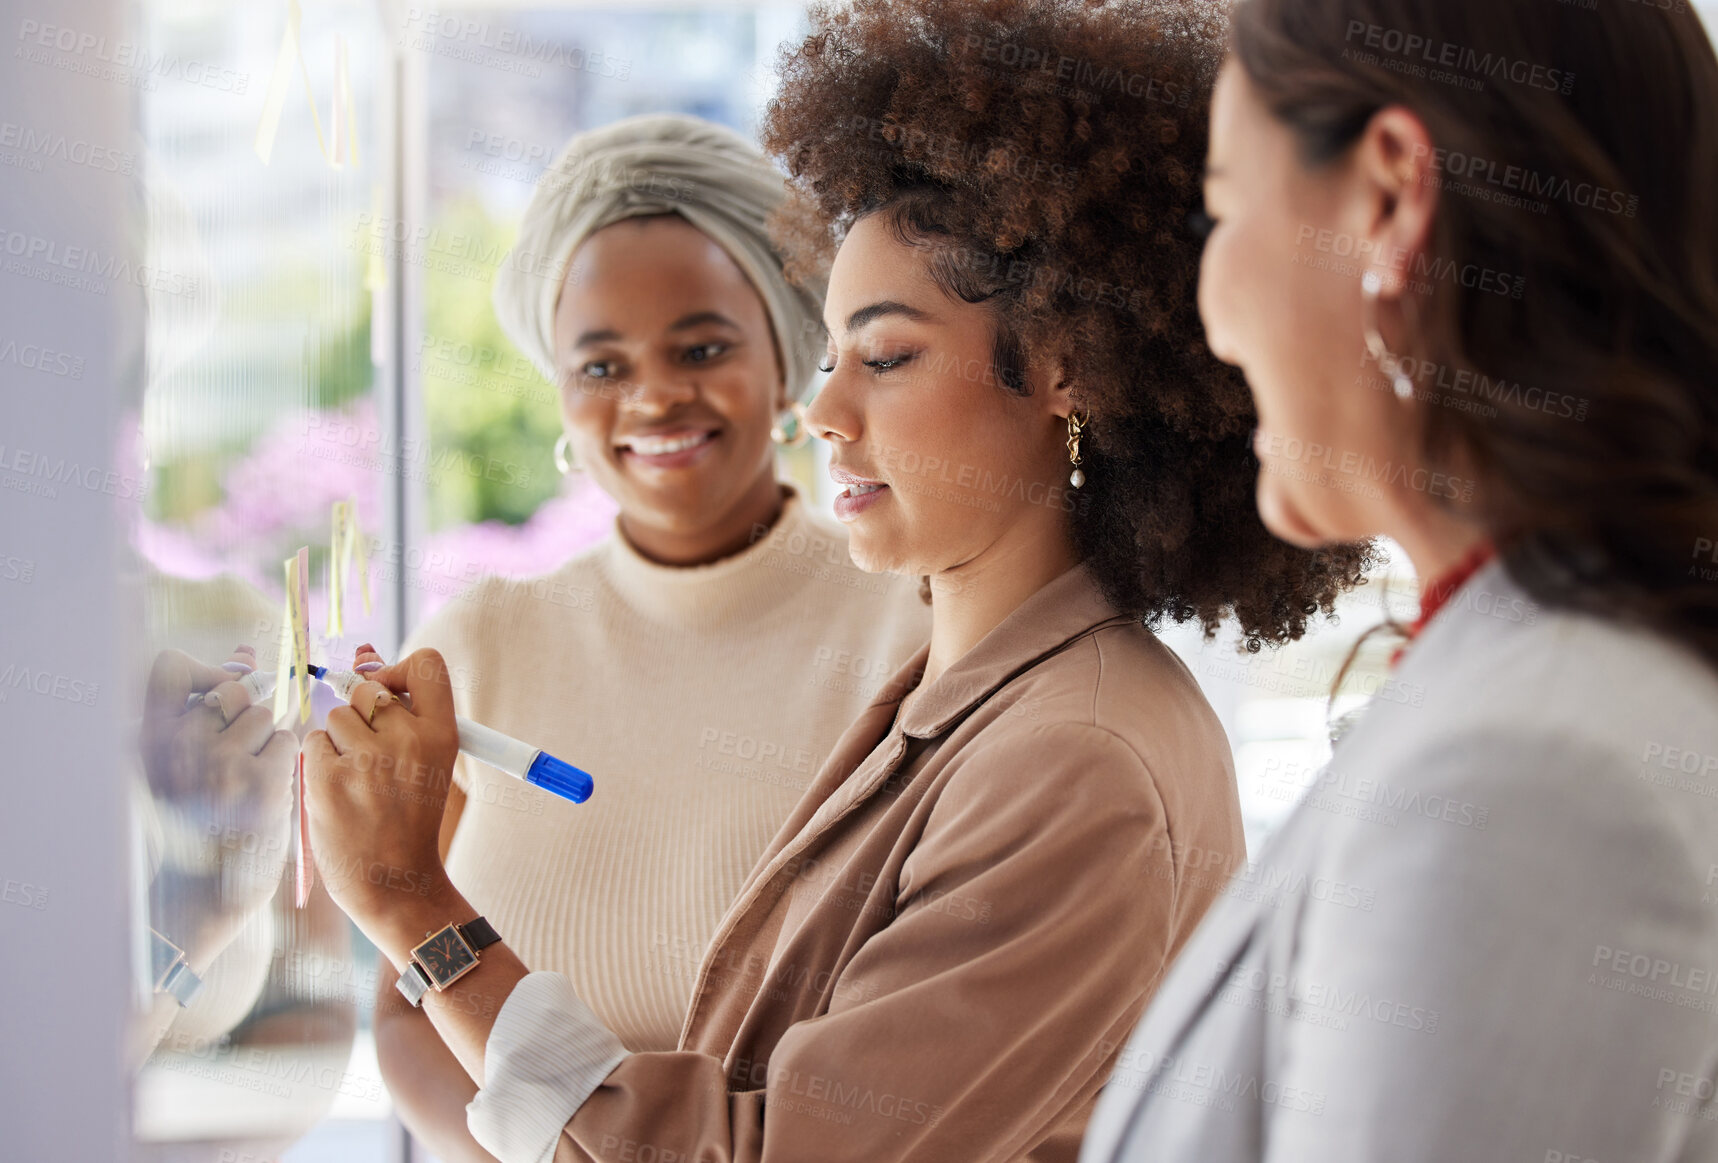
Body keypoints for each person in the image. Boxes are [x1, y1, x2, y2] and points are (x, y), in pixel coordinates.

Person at [311, 3, 1369, 1160]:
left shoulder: (1077, 759)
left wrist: (413, 904)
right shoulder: (961, 693)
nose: (824, 411)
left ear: (1065, 363)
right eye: (831, 360)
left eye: (887, 355)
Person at [1081, 1, 1718, 1160]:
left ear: (1386, 202)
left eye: (1214, 211)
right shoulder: (1549, 670)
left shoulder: (1530, 769)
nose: (1206, 315)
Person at [372, 113, 931, 1161]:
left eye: (701, 346)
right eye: (600, 364)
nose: (653, 395)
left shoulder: (913, 624)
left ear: (788, 358)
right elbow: (408, 1006)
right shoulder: (478, 645)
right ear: (561, 394)